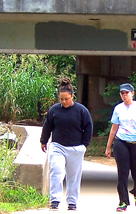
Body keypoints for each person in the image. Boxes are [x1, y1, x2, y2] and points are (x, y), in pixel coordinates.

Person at [40, 77, 93, 211]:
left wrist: (84, 145)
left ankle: (72, 202)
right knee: (56, 172)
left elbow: (88, 127)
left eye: (66, 99)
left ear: (72, 96)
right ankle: (55, 200)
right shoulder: (54, 110)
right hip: (58, 146)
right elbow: (48, 126)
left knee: (73, 176)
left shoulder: (81, 110)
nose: (64, 102)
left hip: (76, 148)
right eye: (61, 99)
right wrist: (43, 141)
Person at [105, 83, 136, 212]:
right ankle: (123, 201)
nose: (124, 95)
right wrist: (108, 147)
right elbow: (113, 129)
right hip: (121, 142)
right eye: (122, 93)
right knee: (122, 173)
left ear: (132, 93)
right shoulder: (118, 109)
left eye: (127, 93)